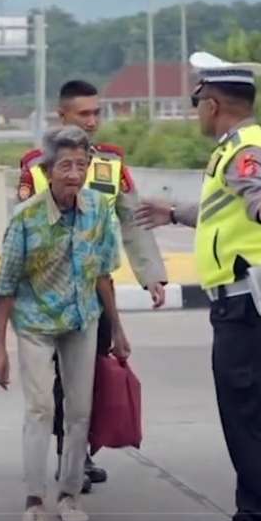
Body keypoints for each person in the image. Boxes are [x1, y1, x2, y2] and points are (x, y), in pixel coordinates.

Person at [135, 52, 261, 521]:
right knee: (245, 415)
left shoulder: (247, 151)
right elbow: (224, 206)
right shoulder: (237, 145)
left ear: (212, 103)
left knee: (250, 417)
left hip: (250, 302)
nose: (196, 112)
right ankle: (252, 517)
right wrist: (174, 213)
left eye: (197, 102)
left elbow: (255, 197)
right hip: (245, 300)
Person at [16, 80, 166, 492]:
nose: (93, 121)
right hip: (45, 298)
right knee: (54, 387)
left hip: (92, 294)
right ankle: (67, 458)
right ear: (61, 116)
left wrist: (151, 274)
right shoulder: (36, 166)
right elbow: (20, 230)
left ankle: (76, 455)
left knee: (86, 381)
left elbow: (133, 222)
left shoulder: (111, 164)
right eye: (84, 114)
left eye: (97, 113)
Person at [0, 126, 131, 521]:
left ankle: (69, 493)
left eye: (81, 165)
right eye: (65, 165)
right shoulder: (26, 218)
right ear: (48, 169)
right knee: (40, 410)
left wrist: (117, 328)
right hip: (35, 323)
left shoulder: (100, 211)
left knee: (80, 410)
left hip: (82, 321)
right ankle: (34, 502)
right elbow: (6, 286)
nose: (74, 174)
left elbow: (103, 274)